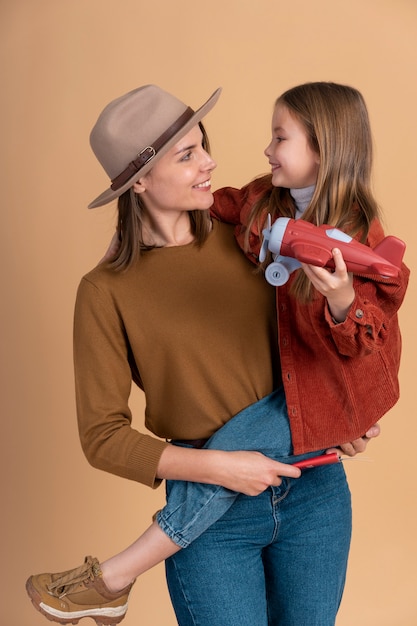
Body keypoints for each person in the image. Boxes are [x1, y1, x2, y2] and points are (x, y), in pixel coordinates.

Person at [25, 82, 404, 626]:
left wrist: (349, 411)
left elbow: (334, 338)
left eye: (204, 144)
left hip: (315, 492)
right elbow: (103, 438)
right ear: (138, 181)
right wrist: (217, 466)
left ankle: (113, 577)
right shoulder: (106, 291)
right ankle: (115, 579)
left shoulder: (252, 234)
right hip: (210, 517)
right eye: (187, 154)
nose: (212, 162)